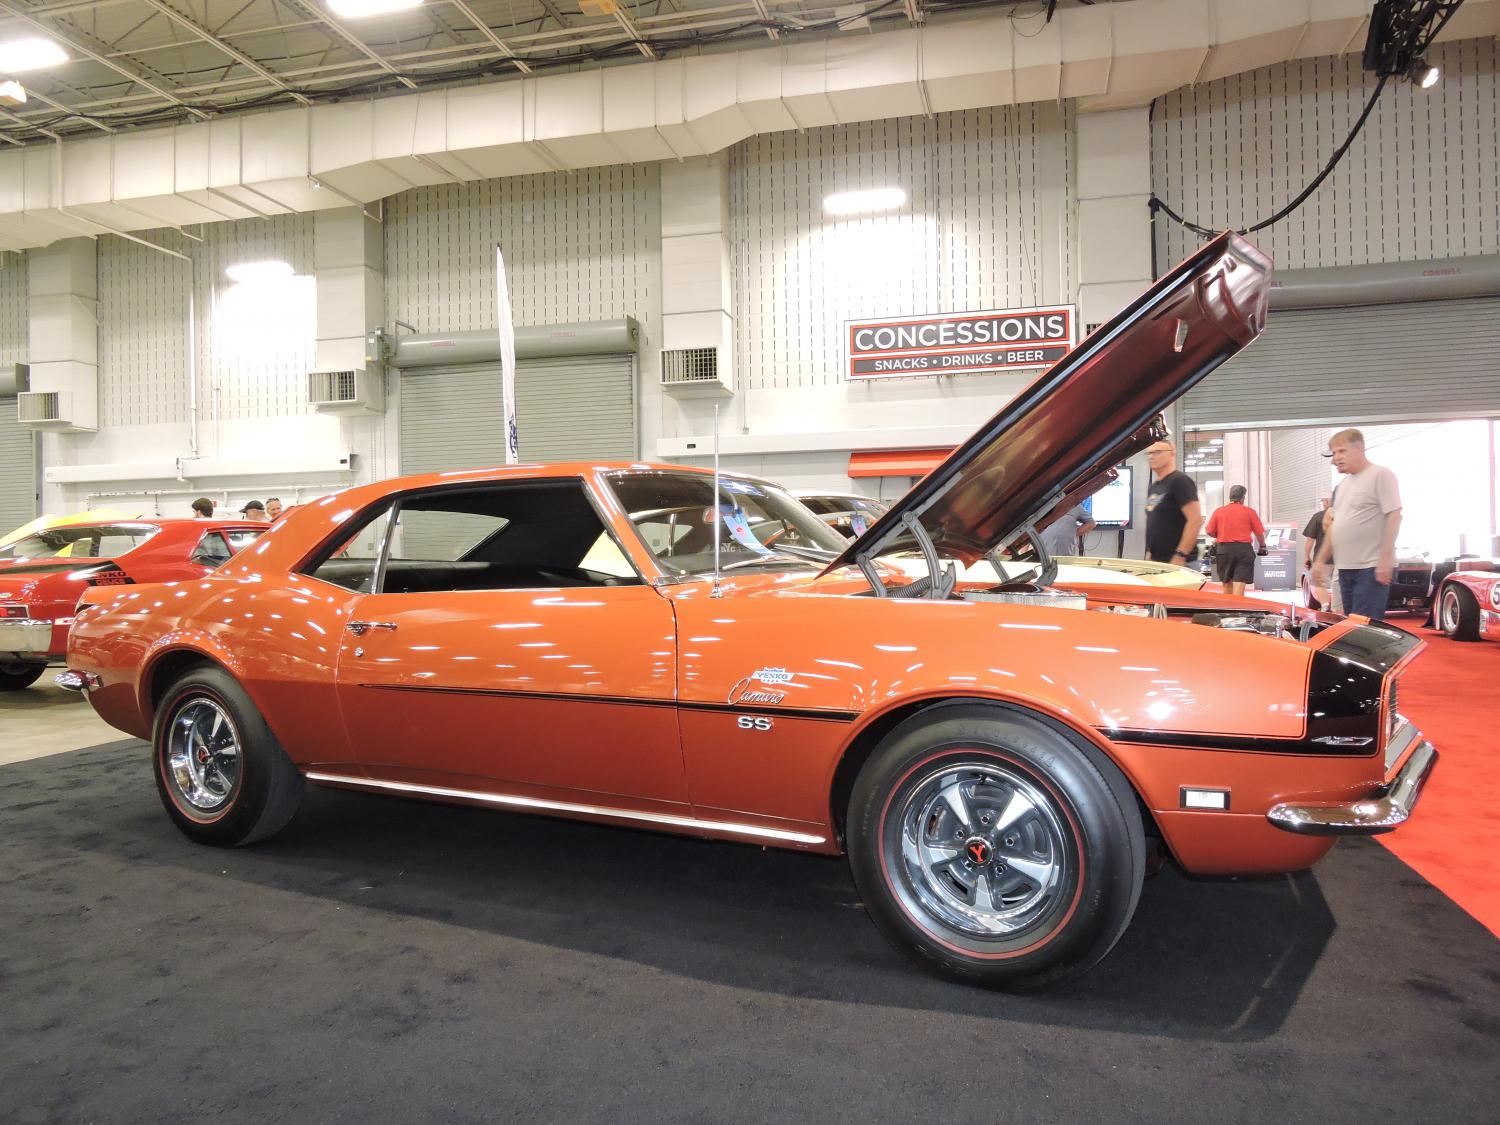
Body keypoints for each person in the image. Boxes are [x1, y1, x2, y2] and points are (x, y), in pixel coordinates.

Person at [1310, 429, 1401, 621]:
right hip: (1346, 568)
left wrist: (1385, 559)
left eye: (1342, 451)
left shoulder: (1380, 475)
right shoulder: (1343, 486)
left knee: (1364, 627)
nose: (1336, 458)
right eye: (1334, 453)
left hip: (1371, 567)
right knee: (1351, 625)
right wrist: (1320, 560)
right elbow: (1335, 527)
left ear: (1359, 448)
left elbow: (1394, 516)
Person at [1144, 441, 1202, 566]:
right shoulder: (1155, 486)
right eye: (1149, 453)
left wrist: (1180, 555)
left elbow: (1195, 520)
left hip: (1180, 563)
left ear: (1172, 454)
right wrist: (1149, 552)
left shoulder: (1180, 481)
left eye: (1157, 452)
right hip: (1158, 561)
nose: (1151, 456)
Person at [1205, 485, 1267, 598]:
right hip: (1243, 550)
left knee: (1226, 581)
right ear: (1243, 497)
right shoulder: (1249, 512)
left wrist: (1221, 535)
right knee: (1240, 580)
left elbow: (1209, 531)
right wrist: (1262, 546)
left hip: (1224, 550)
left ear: (1230, 496)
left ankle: (1227, 606)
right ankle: (1238, 606)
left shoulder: (1219, 511)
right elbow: (1259, 533)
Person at [1302, 496, 1334, 609]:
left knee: (1318, 581)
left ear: (1326, 502)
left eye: (1322, 501)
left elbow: (1310, 539)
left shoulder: (1318, 516)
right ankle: (1338, 607)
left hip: (1323, 559)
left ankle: (1325, 605)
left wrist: (1306, 556)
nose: (1322, 503)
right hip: (1343, 559)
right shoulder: (1346, 515)